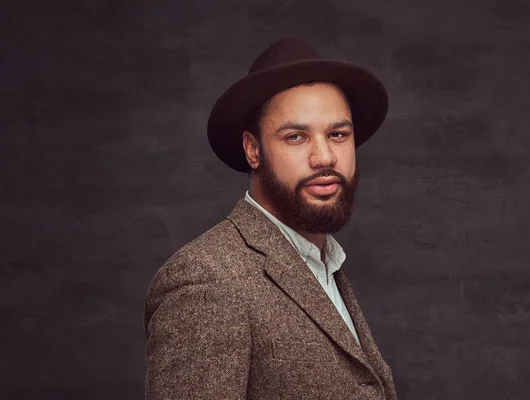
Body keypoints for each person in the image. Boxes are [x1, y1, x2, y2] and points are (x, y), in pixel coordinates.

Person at [144, 36, 398, 399]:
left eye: (338, 134)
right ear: (252, 149)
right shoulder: (206, 280)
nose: (325, 157)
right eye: (296, 137)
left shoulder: (324, 265)